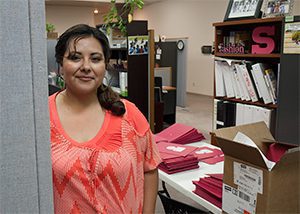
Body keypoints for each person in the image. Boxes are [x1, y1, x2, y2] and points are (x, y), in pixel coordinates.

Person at [49, 24, 161, 213]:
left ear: (105, 65)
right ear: (60, 64)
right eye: (75, 58)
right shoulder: (42, 117)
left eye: (95, 59)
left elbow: (150, 169)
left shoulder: (129, 115)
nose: (86, 67)